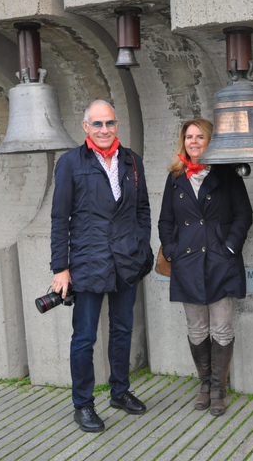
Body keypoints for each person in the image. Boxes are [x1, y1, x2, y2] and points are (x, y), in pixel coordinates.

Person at [50, 100, 152, 433]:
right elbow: (59, 219)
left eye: (109, 123)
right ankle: (83, 405)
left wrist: (140, 246)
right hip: (87, 263)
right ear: (85, 127)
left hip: (126, 262)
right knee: (84, 338)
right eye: (97, 124)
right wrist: (60, 268)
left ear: (117, 124)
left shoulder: (132, 161)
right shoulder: (69, 163)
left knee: (122, 331)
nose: (104, 130)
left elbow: (143, 210)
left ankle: (119, 392)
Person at [158, 118, 253, 416]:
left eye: (200, 137)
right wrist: (172, 250)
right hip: (187, 264)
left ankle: (218, 389)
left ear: (210, 141)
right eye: (189, 137)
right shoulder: (175, 177)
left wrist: (229, 247)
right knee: (197, 329)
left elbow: (244, 215)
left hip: (220, 262)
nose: (194, 142)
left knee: (222, 328)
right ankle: (204, 385)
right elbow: (165, 220)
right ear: (182, 141)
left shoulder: (226, 175)